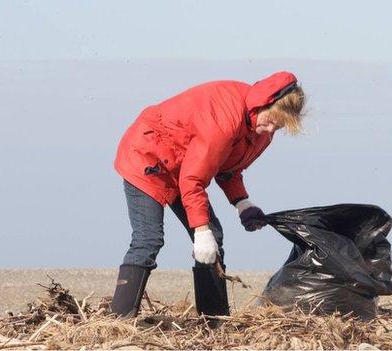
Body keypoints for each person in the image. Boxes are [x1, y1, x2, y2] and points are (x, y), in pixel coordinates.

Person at [109, 71, 306, 322]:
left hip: (184, 166)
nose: (268, 130)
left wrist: (241, 202)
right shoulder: (223, 120)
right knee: (149, 240)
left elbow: (227, 167)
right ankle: (118, 321)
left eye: (276, 127)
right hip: (148, 158)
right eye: (270, 122)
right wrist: (200, 231)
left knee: (215, 236)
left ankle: (213, 322)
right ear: (263, 103)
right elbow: (193, 180)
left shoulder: (260, 129)